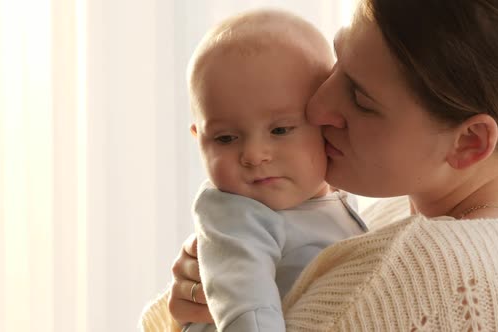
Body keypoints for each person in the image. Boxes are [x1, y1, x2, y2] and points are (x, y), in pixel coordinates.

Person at [143, 0, 498, 330]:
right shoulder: (419, 215)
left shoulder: (411, 272)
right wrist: (197, 298)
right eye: (337, 63)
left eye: (359, 98)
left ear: (470, 142)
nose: (316, 106)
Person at [141, 9, 367, 332]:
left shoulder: (332, 197)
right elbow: (247, 308)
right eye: (226, 138)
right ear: (198, 138)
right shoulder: (237, 216)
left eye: (280, 130)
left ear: (323, 119)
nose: (253, 155)